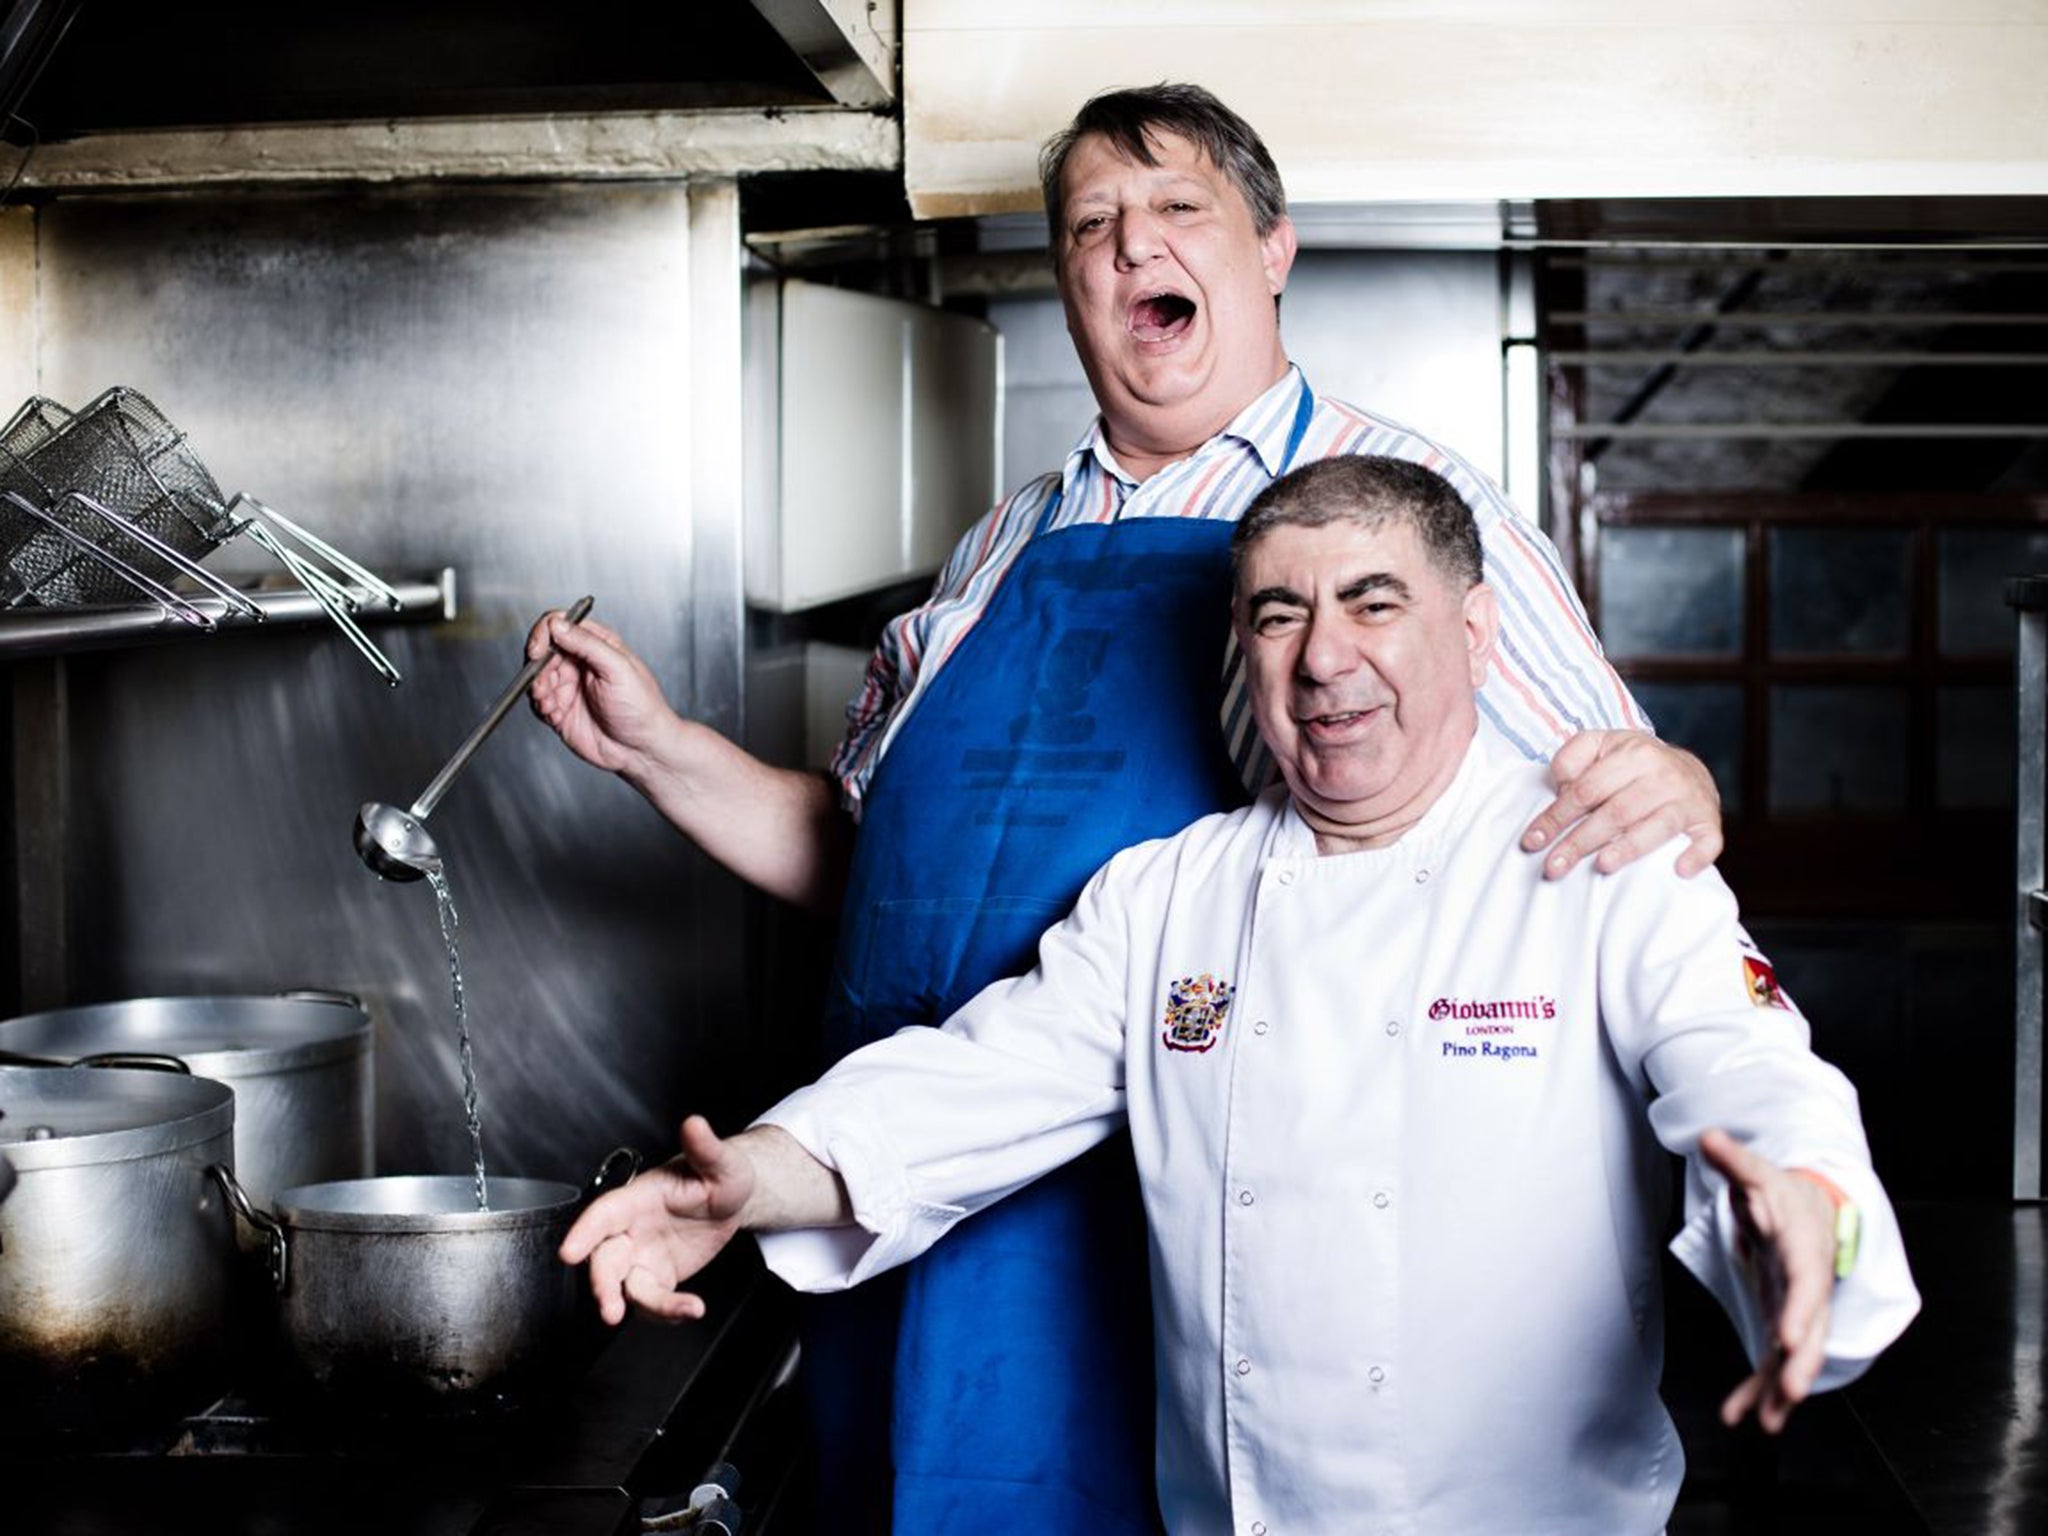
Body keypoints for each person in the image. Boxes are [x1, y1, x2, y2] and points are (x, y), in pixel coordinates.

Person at [529, 82, 1725, 1533]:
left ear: (1271, 249)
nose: (1129, 244)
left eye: (1177, 210)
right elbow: (869, 859)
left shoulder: (1405, 509)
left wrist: (1681, 782)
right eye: (1092, 223)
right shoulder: (997, 544)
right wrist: (657, 750)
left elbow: (1620, 826)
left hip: (1180, 1224)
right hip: (910, 1175)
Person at [558, 455, 1920, 1536]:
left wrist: (1812, 1216)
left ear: (1478, 630)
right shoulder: (1172, 897)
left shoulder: (1601, 866)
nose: (1324, 658)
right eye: (1280, 613)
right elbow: (957, 1089)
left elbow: (1754, 1077)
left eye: (1374, 603)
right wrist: (741, 1180)